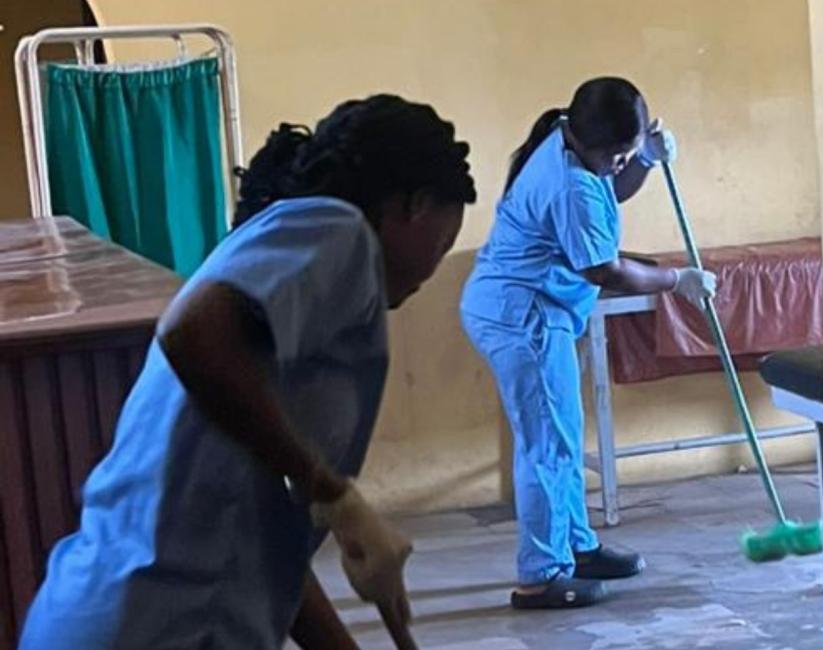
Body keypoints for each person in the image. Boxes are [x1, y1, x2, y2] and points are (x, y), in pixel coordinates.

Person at [19, 94, 477, 650]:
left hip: (108, 615)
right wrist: (332, 491)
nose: (435, 265)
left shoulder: (285, 342)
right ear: (414, 205)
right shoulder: (342, 232)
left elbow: (263, 546)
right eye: (443, 243)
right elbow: (191, 329)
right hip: (153, 624)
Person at [460, 77, 717, 609]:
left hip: (532, 309)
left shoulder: (567, 138)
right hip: (523, 317)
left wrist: (644, 160)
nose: (621, 164)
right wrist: (675, 281)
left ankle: (576, 547)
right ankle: (541, 575)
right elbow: (606, 270)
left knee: (562, 436)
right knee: (547, 446)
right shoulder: (570, 184)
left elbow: (611, 185)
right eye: (619, 154)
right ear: (594, 142)